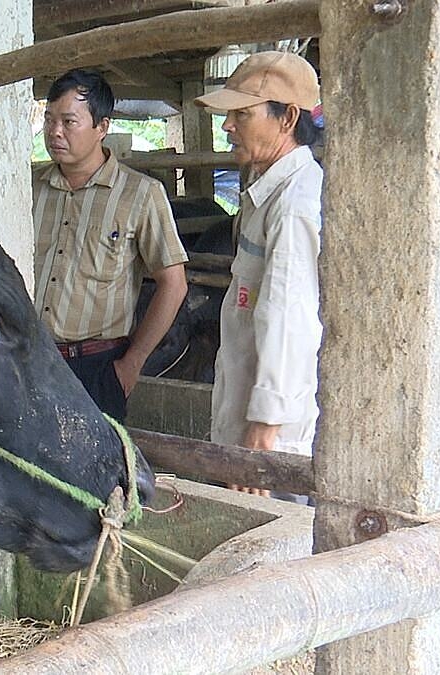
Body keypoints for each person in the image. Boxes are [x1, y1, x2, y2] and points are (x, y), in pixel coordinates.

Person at [194, 51, 325, 495]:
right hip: (251, 422)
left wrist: (265, 427)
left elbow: (291, 319)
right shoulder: (268, 192)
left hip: (273, 439)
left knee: (277, 532)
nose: (227, 126)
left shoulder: (294, 205)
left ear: (287, 118)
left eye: (242, 114)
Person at [33, 69, 189, 422]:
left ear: (102, 127)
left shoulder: (140, 194)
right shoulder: (29, 188)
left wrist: (132, 363)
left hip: (98, 366)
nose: (55, 131)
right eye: (49, 119)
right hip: (30, 357)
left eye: (69, 122)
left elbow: (174, 284)